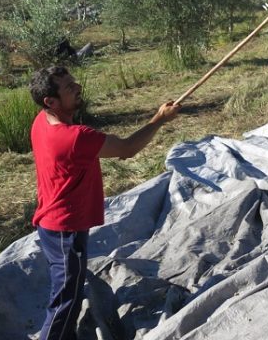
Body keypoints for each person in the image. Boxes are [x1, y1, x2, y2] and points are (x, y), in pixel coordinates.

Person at [28, 65, 180, 340]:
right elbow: (126, 149)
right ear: (50, 101)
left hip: (53, 223)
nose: (77, 87)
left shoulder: (42, 121)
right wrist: (159, 119)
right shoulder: (75, 138)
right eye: (69, 87)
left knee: (67, 291)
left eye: (74, 82)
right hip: (66, 229)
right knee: (66, 299)